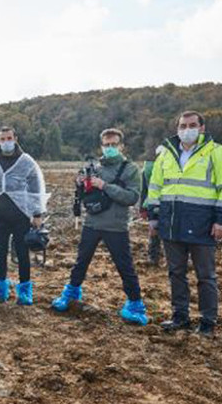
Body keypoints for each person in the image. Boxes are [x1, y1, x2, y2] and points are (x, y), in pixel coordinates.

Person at [147, 111, 222, 338]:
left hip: (202, 225)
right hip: (171, 225)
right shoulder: (167, 154)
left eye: (191, 125)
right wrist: (154, 217)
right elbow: (155, 188)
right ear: (177, 128)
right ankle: (180, 316)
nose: (186, 129)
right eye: (182, 125)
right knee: (175, 273)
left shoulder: (217, 153)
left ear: (201, 128)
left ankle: (208, 321)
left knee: (205, 275)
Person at [52, 128, 148, 325]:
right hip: (92, 223)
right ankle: (71, 293)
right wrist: (81, 182)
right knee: (81, 262)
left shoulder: (130, 169)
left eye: (114, 144)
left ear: (122, 146)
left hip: (116, 226)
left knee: (125, 266)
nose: (110, 148)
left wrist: (104, 185)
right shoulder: (94, 167)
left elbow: (132, 197)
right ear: (101, 146)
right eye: (106, 145)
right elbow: (85, 193)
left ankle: (136, 304)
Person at [0, 127, 47, 304]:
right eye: (2, 139)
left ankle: (24, 292)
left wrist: (37, 213)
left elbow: (35, 187)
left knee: (23, 254)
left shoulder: (26, 161)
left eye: (9, 138)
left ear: (15, 138)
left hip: (21, 216)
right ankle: (0, 291)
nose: (6, 142)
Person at [139, 145, 165, 267]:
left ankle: (154, 257)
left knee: (156, 231)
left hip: (157, 205)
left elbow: (143, 191)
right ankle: (153, 257)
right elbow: (144, 190)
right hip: (156, 204)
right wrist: (142, 209)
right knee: (155, 231)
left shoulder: (148, 169)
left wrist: (143, 208)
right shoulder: (148, 170)